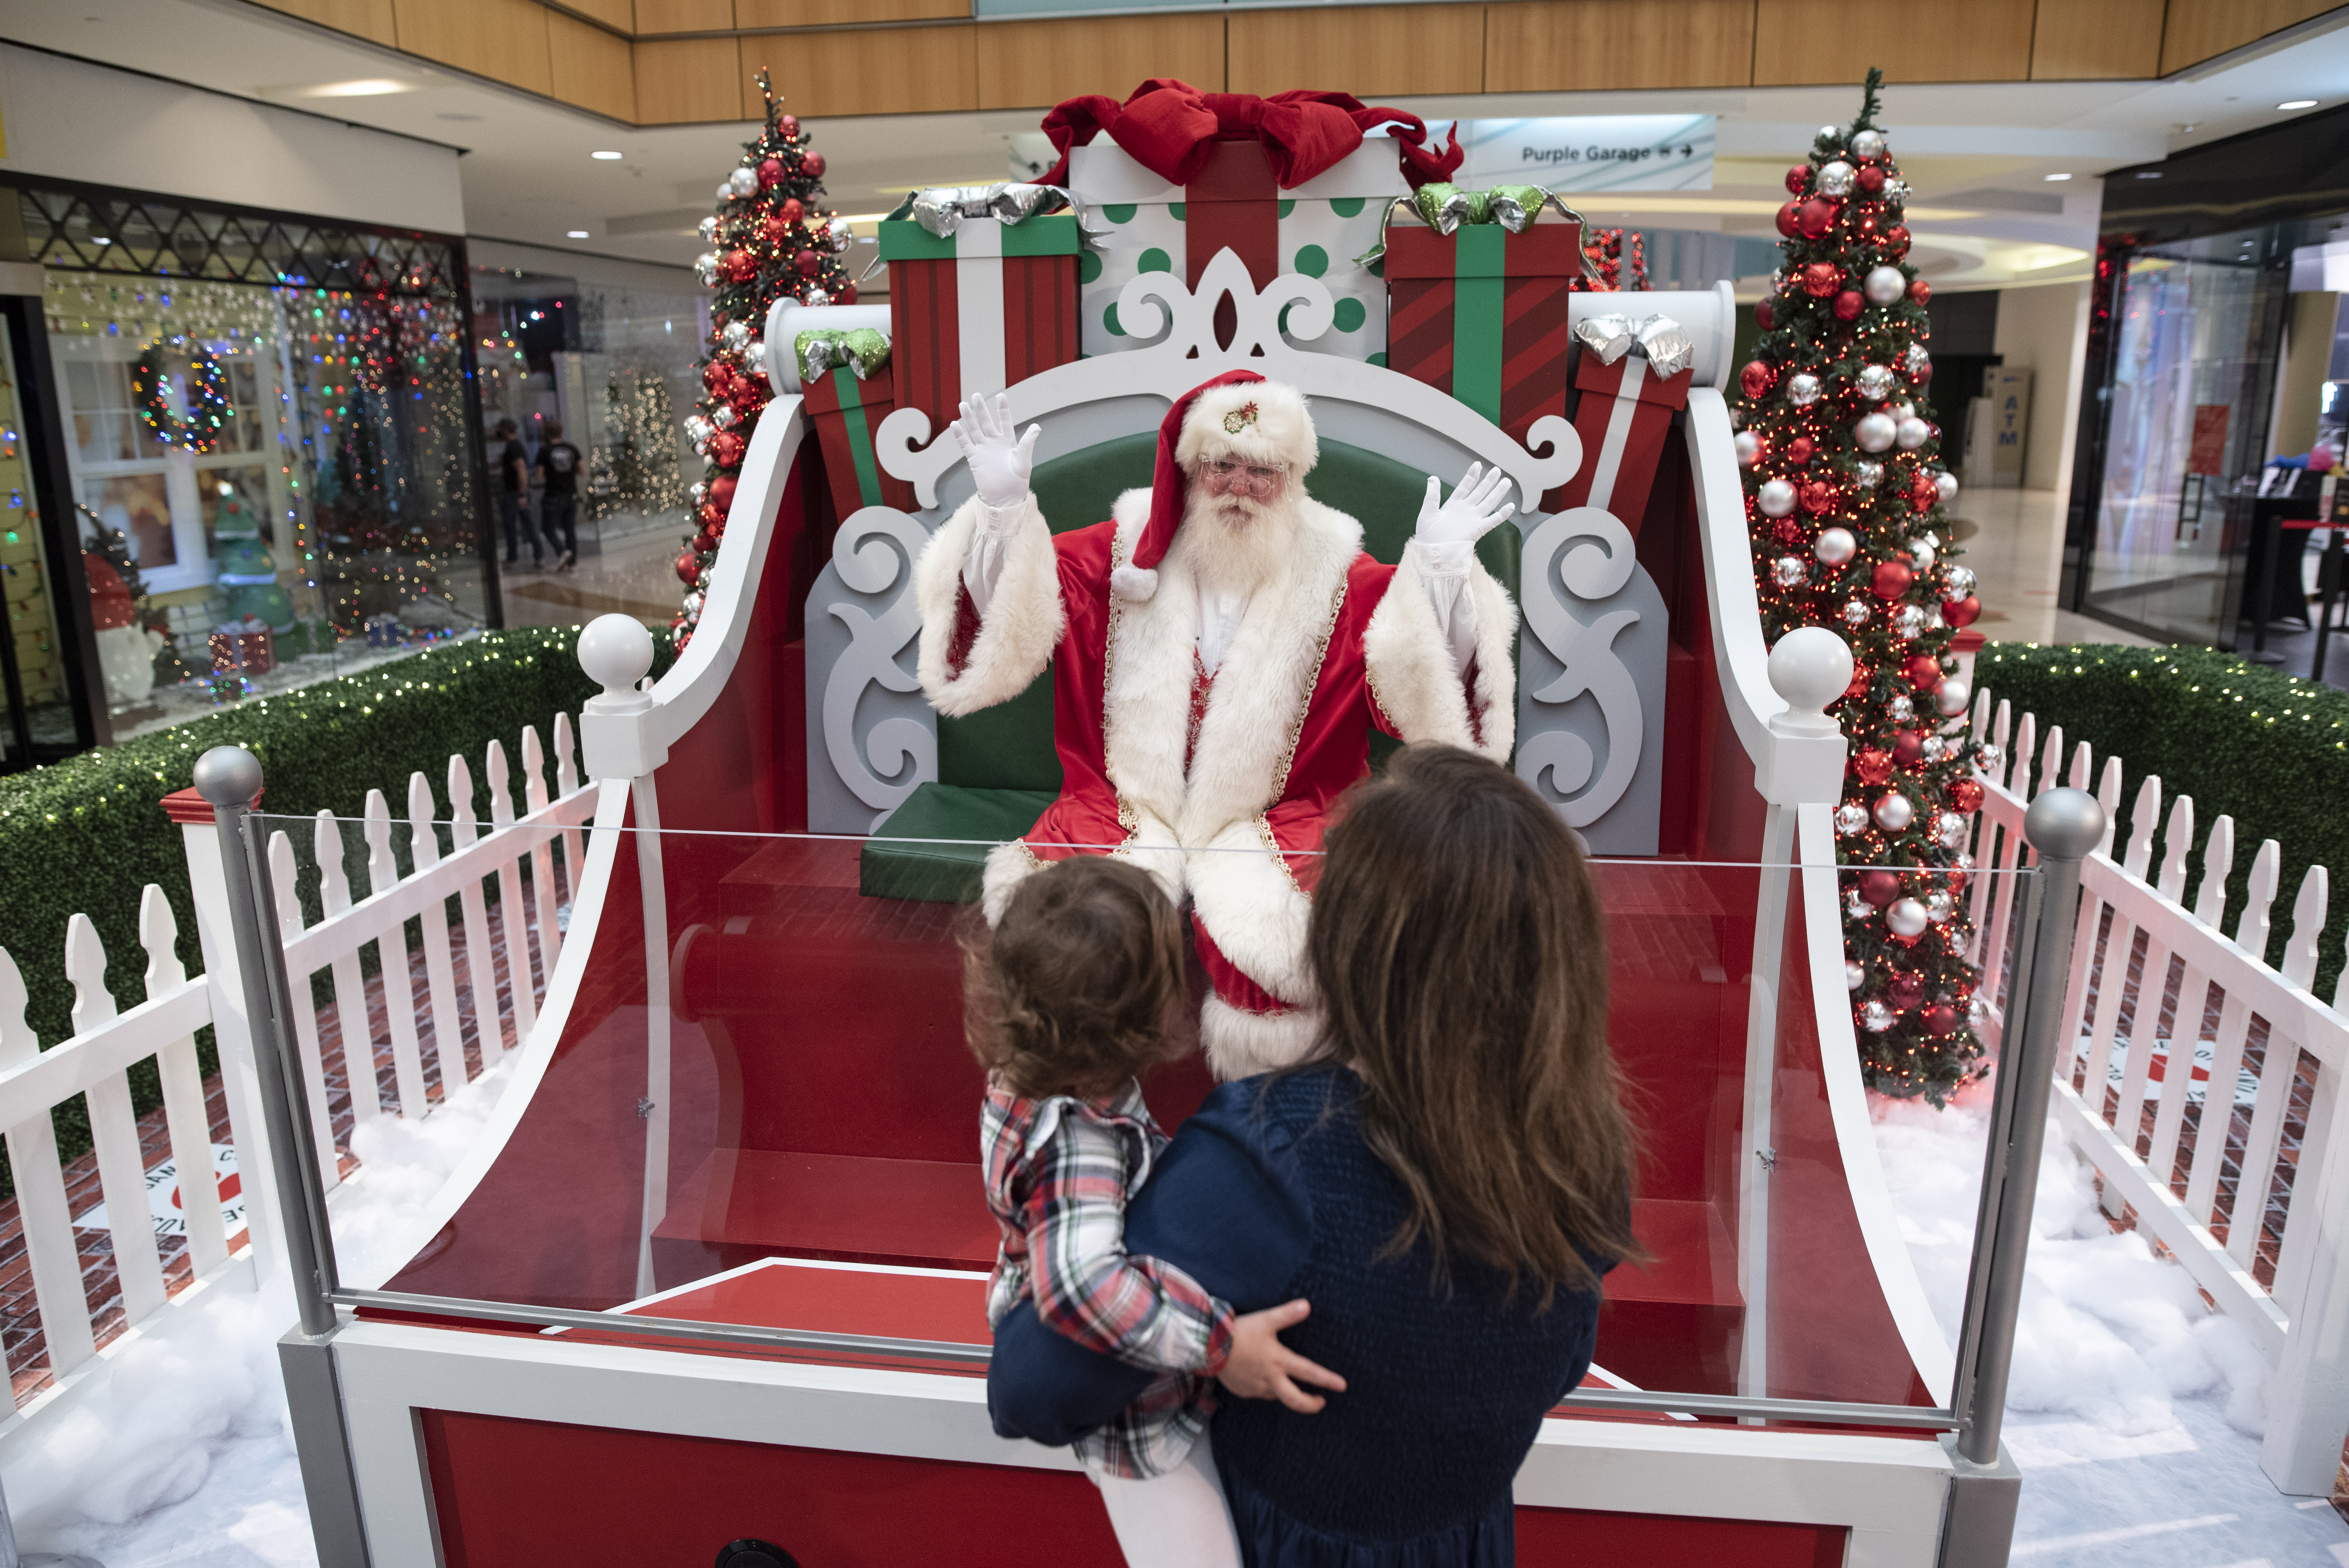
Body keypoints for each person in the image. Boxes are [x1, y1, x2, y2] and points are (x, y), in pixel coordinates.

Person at [987, 745, 1645, 1568]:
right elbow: (1557, 1364)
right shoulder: (1586, 1142)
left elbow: (1033, 1388)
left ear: (1352, 941)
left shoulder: (1277, 1150)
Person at [918, 375, 1520, 1079]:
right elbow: (1019, 619)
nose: (1237, 486)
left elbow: (1417, 686)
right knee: (1069, 935)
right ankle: (1079, 1102)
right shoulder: (1122, 557)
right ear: (1191, 470)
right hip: (1123, 808)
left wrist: (1440, 573)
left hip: (1287, 815)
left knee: (1303, 942)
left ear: (1292, 480)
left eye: (1261, 471)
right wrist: (999, 513)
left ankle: (1286, 1108)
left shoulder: (1337, 578)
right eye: (1221, 466)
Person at [972, 855, 1346, 1568]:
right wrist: (1222, 1344)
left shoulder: (1027, 1073)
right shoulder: (1078, 1134)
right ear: (1135, 1025)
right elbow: (1080, 1287)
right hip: (1136, 1431)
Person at [492, 418, 540, 569]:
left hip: (515, 493)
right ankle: (536, 557)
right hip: (516, 493)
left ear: (506, 431)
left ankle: (516, 558)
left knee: (515, 525)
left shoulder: (514, 447)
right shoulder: (513, 447)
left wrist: (521, 494)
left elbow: (522, 471)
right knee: (525, 523)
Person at [535, 420, 583, 571]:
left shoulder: (544, 451)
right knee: (570, 528)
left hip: (553, 495)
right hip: (571, 494)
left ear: (547, 434)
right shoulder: (572, 448)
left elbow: (539, 475)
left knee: (548, 528)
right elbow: (582, 470)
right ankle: (573, 560)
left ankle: (562, 552)